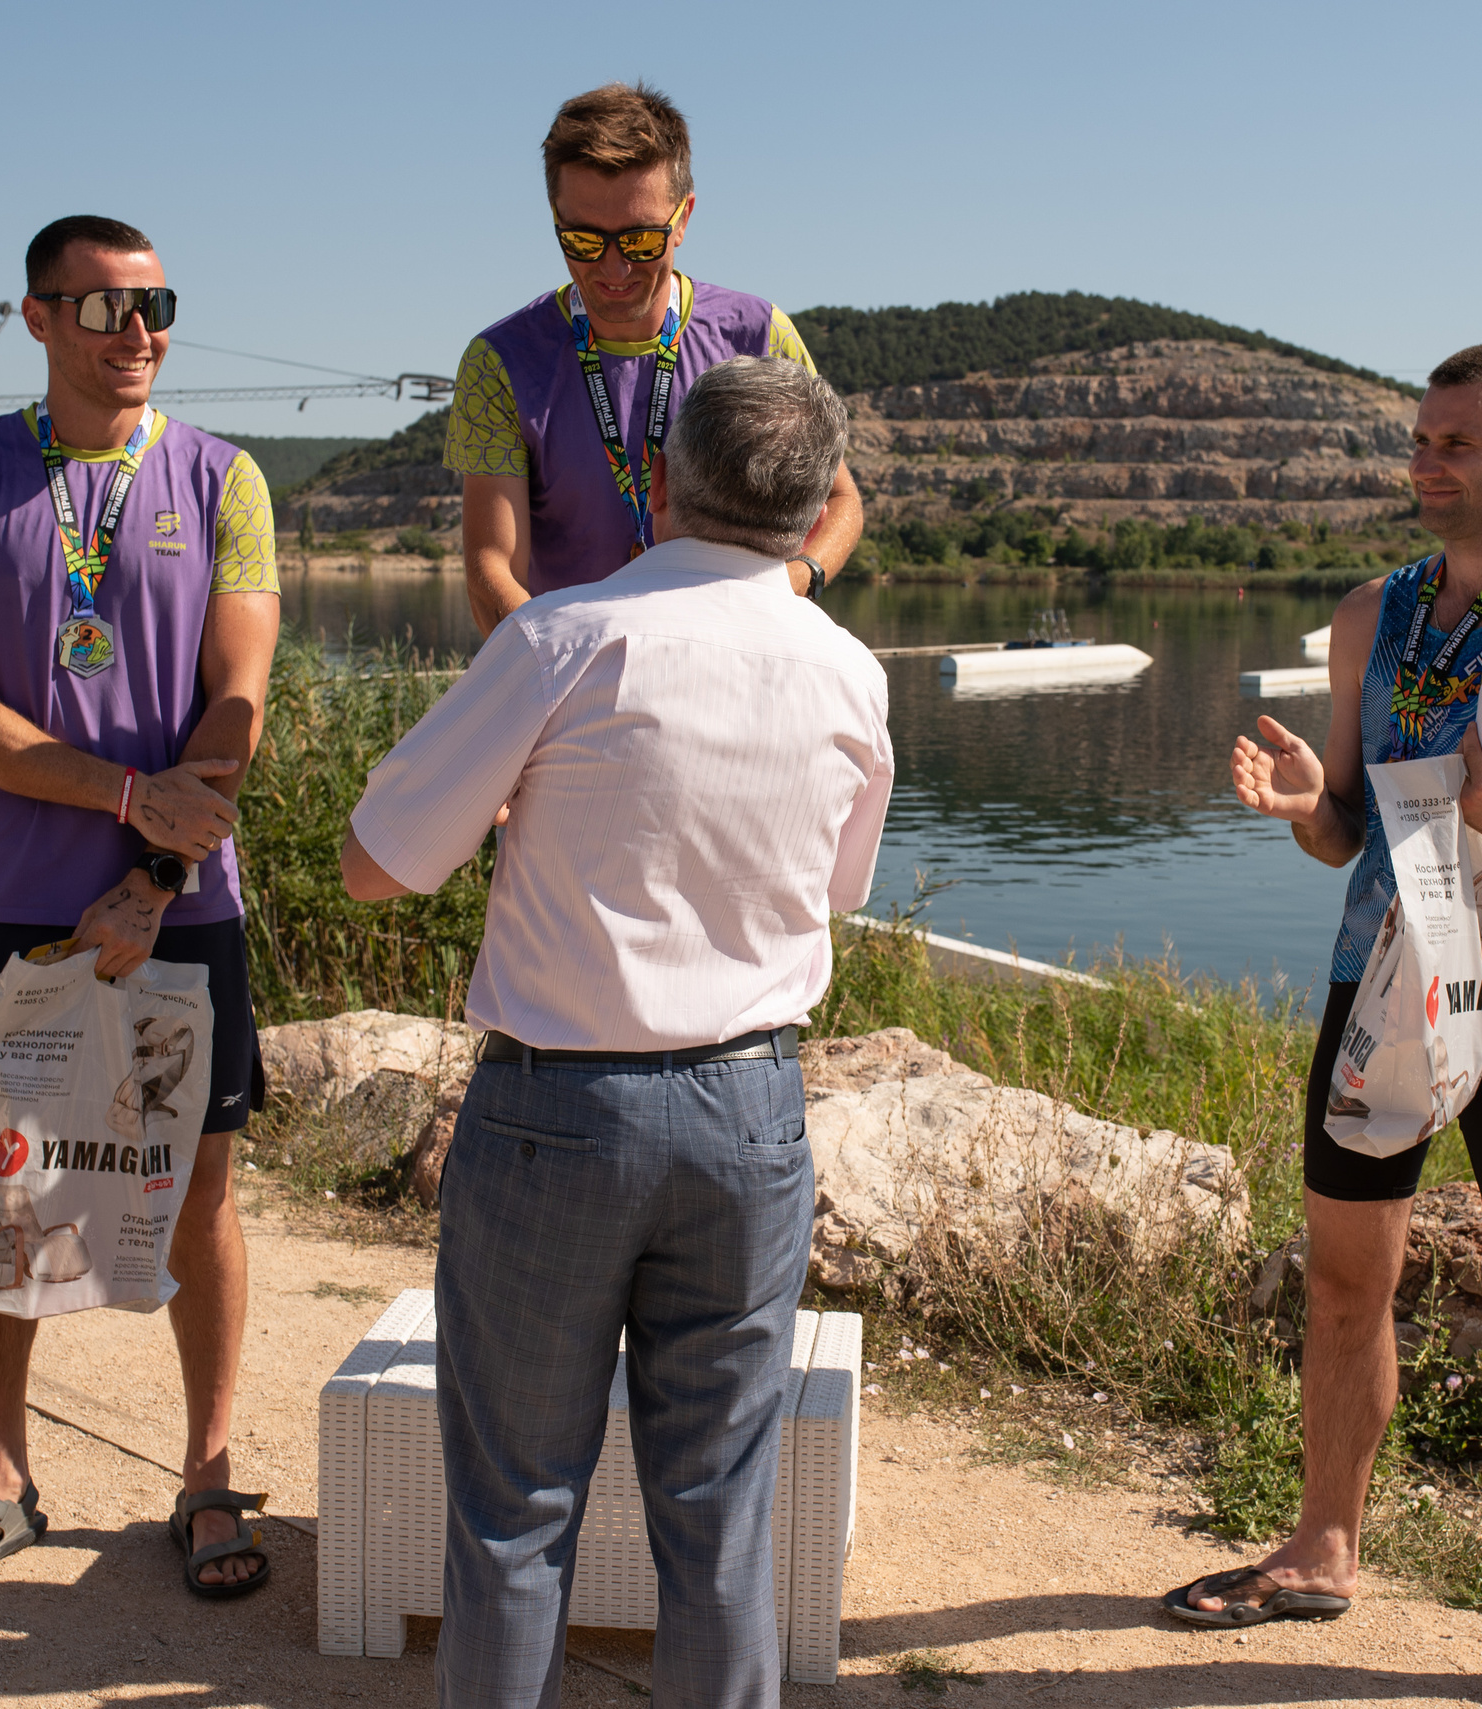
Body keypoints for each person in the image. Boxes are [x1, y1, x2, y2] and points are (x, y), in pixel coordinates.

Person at [343, 356, 892, 1707]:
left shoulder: (564, 638)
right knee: (719, 1515)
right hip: (752, 1115)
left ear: (660, 484)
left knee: (516, 1506)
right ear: (820, 502)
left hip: (559, 1115)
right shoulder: (848, 672)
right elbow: (837, 888)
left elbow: (376, 860)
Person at [1173, 344, 1482, 1709]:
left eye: (1457, 442)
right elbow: (1346, 825)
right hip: (1377, 983)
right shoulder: (1371, 614)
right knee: (1344, 1283)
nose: (1427, 465)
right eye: (1419, 442)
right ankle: (1323, 1547)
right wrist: (1299, 807)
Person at [0, 214, 281, 1600]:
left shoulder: (225, 477)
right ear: (38, 319)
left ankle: (210, 1471)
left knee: (200, 1192)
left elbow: (237, 704)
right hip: (12, 903)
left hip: (184, 904)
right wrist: (126, 804)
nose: (141, 331)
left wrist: (159, 872)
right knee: (7, 1181)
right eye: (106, 309)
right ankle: (3, 1477)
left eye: (157, 304)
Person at [448, 81, 865, 636]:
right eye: (583, 241)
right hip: (573, 679)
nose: (614, 270)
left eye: (641, 241)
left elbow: (840, 500)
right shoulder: (499, 363)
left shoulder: (761, 335)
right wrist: (557, 662)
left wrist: (791, 586)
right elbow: (491, 567)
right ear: (555, 217)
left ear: (684, 218)